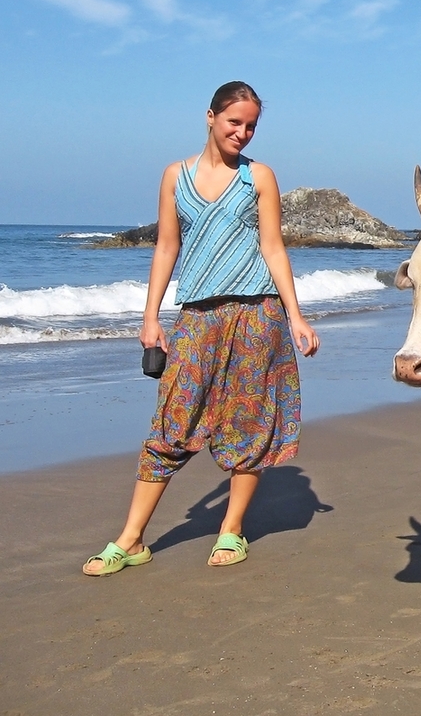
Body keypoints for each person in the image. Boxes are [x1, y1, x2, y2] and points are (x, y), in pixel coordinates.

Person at [83, 81, 319, 575]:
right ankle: (131, 539)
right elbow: (166, 246)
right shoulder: (176, 175)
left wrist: (296, 316)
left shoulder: (260, 177)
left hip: (258, 315)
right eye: (235, 122)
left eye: (252, 125)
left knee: (250, 423)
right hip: (197, 317)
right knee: (171, 423)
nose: (243, 133)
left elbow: (274, 248)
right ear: (210, 117)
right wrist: (150, 317)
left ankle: (231, 530)